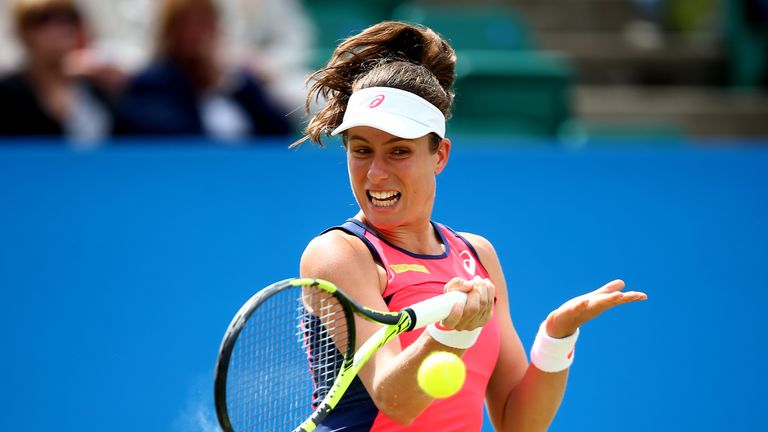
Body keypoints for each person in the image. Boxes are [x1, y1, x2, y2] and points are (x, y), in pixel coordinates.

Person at [294, 21, 648, 431]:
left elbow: (518, 423)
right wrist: (452, 333)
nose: (376, 173)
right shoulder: (338, 255)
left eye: (398, 152)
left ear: (439, 155)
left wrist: (557, 334)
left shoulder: (477, 255)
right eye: (361, 150)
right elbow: (395, 400)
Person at [113, 0, 293, 139]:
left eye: (205, 22)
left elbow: (279, 130)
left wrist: (232, 84)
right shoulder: (151, 82)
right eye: (187, 24)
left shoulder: (236, 80)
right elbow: (178, 133)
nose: (197, 33)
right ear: (170, 30)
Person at [0, 0, 120, 141]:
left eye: (69, 19)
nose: (61, 29)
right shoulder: (8, 93)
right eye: (44, 19)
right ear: (24, 31)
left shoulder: (96, 88)